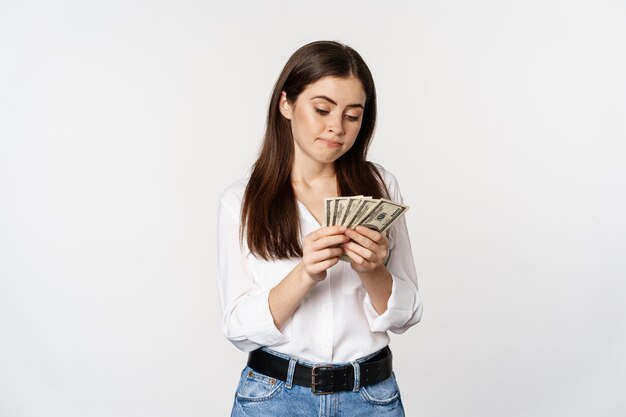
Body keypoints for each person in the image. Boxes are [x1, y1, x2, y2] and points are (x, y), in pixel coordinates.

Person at [217, 40, 423, 416]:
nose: (336, 127)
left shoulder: (380, 187)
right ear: (286, 104)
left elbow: (407, 314)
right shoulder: (241, 201)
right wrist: (306, 272)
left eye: (352, 115)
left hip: (370, 398)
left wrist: (372, 269)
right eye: (322, 109)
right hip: (273, 398)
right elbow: (237, 328)